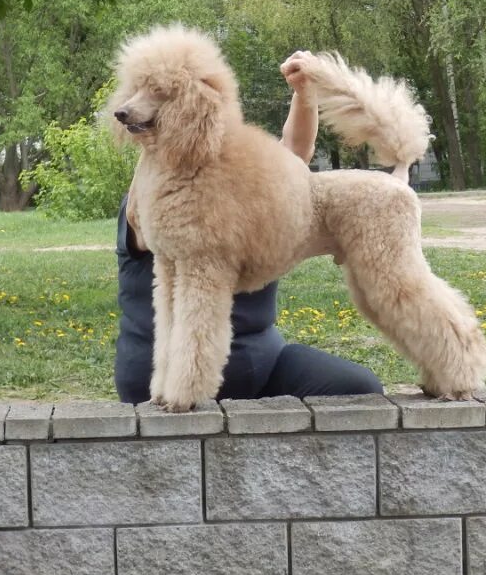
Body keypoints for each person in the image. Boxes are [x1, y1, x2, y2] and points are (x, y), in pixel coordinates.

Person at [113, 54, 383, 404]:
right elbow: (144, 231)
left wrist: (304, 93)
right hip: (161, 373)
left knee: (360, 389)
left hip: (264, 359)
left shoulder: (248, 185)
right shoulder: (148, 201)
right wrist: (155, 145)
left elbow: (293, 156)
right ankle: (182, 391)